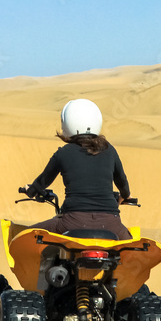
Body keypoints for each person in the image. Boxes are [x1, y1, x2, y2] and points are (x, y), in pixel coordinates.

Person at [25, 99, 132, 240]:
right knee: (131, 248)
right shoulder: (110, 150)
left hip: (72, 222)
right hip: (111, 225)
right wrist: (125, 196)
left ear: (67, 123)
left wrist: (31, 191)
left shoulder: (63, 153)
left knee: (26, 236)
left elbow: (43, 181)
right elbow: (122, 181)